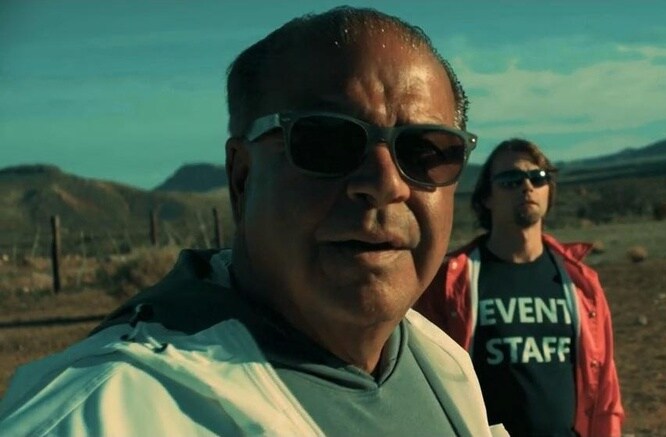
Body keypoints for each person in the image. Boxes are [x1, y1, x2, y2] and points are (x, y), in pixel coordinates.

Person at [0, 7, 508, 436]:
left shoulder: (443, 365)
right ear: (242, 178)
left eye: (425, 151)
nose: (385, 183)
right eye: (327, 141)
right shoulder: (105, 413)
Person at [416, 138, 625, 437]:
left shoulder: (580, 282)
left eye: (538, 177)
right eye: (511, 180)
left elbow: (604, 385)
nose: (527, 187)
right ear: (487, 197)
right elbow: (426, 382)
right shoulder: (452, 281)